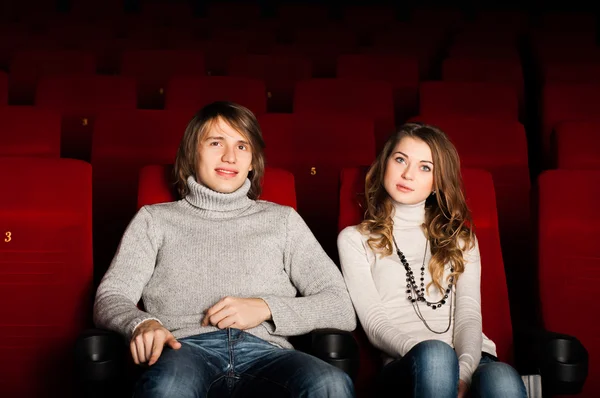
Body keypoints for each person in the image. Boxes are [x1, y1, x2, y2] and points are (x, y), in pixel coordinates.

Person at [94, 101, 357, 398]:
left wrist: (265, 308)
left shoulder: (282, 220)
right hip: (185, 350)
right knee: (167, 389)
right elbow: (111, 295)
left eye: (242, 147)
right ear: (192, 152)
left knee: (330, 384)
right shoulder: (154, 220)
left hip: (268, 353)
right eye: (216, 142)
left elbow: (340, 306)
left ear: (252, 161)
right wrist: (141, 323)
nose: (230, 157)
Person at [337, 123, 526, 398]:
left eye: (425, 167)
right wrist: (439, 361)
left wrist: (462, 371)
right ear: (384, 163)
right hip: (408, 362)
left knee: (503, 378)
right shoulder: (354, 240)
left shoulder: (462, 240)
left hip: (472, 359)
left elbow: (469, 317)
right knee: (436, 357)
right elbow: (375, 325)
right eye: (400, 159)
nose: (408, 174)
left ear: (438, 181)